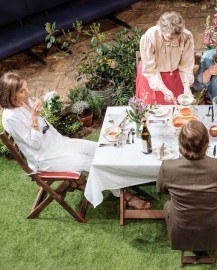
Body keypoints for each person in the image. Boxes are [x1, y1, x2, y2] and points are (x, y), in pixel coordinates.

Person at [0, 72, 150, 209]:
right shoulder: (11, 117)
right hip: (45, 158)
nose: (28, 93)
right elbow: (35, 144)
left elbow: (43, 124)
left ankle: (127, 177)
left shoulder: (25, 101)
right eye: (22, 91)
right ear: (10, 95)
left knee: (100, 149)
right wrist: (34, 117)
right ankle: (125, 196)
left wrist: (39, 106)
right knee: (93, 164)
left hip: (60, 143)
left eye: (27, 88)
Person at [156, 120, 217, 254]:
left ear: (180, 144)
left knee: (168, 204)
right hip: (215, 229)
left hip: (180, 229)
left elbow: (161, 190)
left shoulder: (167, 166)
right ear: (207, 144)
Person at [136, 11, 194, 105]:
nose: (174, 40)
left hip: (174, 75)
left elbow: (186, 65)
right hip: (152, 74)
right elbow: (150, 70)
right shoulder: (150, 37)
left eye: (177, 37)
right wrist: (163, 89)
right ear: (161, 30)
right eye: (170, 38)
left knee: (174, 108)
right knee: (153, 110)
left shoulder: (186, 36)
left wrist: (187, 87)